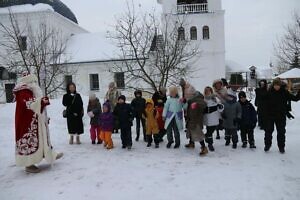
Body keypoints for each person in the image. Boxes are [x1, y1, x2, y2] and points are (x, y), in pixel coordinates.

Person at [13, 73, 63, 173]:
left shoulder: (30, 89)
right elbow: (28, 103)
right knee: (30, 142)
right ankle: (28, 164)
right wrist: (41, 102)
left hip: (35, 120)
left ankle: (50, 154)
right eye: (34, 82)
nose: (35, 84)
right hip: (27, 124)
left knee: (42, 139)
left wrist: (44, 115)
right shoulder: (23, 90)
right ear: (29, 81)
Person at [263, 78, 300, 153]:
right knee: (268, 131)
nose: (277, 87)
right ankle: (267, 145)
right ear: (273, 85)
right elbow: (264, 104)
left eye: (278, 85)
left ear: (280, 85)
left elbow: (295, 98)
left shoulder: (284, 92)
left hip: (281, 116)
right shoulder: (269, 92)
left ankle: (281, 147)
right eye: (275, 85)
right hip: (270, 116)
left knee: (281, 132)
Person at [186, 91, 208, 156]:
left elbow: (204, 104)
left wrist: (197, 103)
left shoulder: (199, 100)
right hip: (191, 120)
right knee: (190, 132)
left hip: (196, 121)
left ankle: (204, 148)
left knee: (198, 135)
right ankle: (191, 143)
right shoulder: (191, 101)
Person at [203, 86, 224, 152]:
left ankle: (206, 136)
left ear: (211, 91)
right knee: (209, 131)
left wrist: (220, 107)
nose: (208, 92)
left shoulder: (215, 98)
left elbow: (220, 107)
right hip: (207, 117)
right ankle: (210, 144)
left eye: (209, 90)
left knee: (212, 130)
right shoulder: (203, 99)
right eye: (207, 91)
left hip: (214, 117)